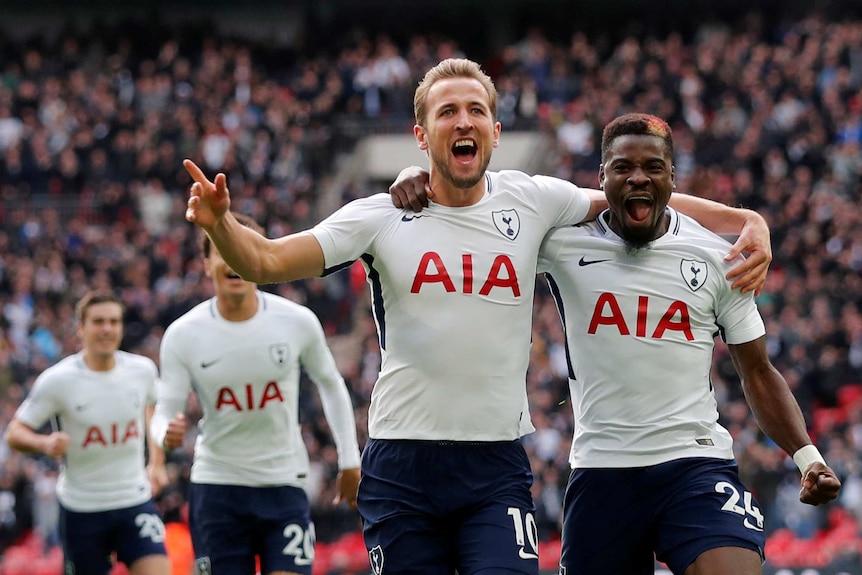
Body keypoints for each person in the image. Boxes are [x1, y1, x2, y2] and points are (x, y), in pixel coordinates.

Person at [182, 58, 771, 574]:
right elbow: (265, 260)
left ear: (494, 130)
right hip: (402, 463)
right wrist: (220, 226)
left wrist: (742, 219)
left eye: (475, 110)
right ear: (421, 134)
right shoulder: (378, 215)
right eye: (446, 112)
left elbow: (636, 199)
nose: (462, 121)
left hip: (494, 464)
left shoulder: (533, 199)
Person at [534, 113, 841, 574]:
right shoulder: (561, 245)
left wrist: (807, 457)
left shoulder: (721, 259)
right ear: (602, 178)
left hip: (694, 464)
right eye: (622, 168)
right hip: (602, 470)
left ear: (672, 177)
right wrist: (418, 178)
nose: (638, 177)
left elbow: (757, 371)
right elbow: (483, 212)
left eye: (653, 167)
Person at [149, 213, 362, 575]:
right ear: (205, 264)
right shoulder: (183, 334)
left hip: (283, 483)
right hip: (217, 488)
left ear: (260, 255)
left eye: (243, 248)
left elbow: (330, 382)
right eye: (222, 251)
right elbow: (164, 412)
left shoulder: (296, 321)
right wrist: (164, 434)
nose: (234, 259)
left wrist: (349, 458)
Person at [5, 290, 170, 575]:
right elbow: (14, 433)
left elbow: (152, 411)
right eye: (98, 322)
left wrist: (157, 463)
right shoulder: (58, 380)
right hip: (82, 508)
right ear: (81, 328)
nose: (107, 329)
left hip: (134, 499)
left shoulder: (141, 370)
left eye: (113, 321)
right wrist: (44, 443)